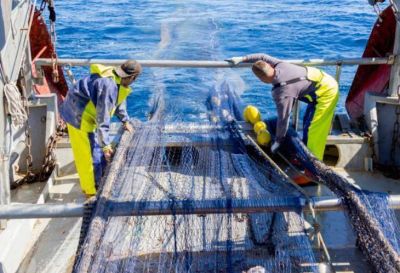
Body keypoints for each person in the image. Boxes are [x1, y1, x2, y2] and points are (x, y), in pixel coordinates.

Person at [227, 54, 338, 160]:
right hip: (321, 79)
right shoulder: (280, 64)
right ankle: (305, 153)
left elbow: (283, 119)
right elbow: (262, 56)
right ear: (269, 65)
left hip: (326, 92)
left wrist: (278, 142)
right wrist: (243, 58)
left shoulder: (281, 92)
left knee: (313, 131)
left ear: (262, 80)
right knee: (307, 122)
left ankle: (314, 167)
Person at [60, 60, 142, 197]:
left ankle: (99, 179)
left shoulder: (117, 78)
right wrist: (106, 146)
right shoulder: (108, 87)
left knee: (97, 152)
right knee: (88, 156)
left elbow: (118, 100)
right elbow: (102, 119)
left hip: (84, 108)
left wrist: (125, 120)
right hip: (77, 114)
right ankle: (91, 192)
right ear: (133, 78)